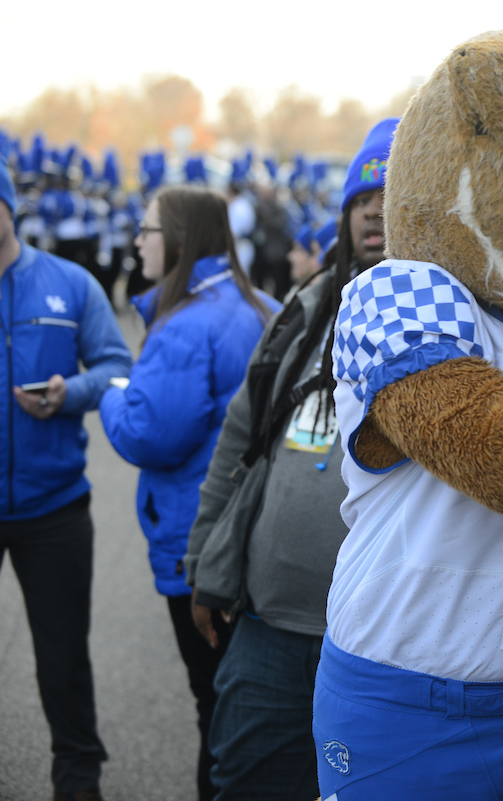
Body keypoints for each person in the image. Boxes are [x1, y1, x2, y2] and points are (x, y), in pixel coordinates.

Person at [184, 119, 394, 801]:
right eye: (362, 199)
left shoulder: (456, 324)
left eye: (393, 196)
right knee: (244, 782)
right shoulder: (303, 311)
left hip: (378, 646)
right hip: (268, 629)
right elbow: (239, 443)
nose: (373, 209)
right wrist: (207, 564)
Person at [99, 186, 279, 801]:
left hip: (195, 540)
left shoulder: (184, 327)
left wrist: (110, 392)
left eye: (146, 231)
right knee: (246, 702)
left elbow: (150, 436)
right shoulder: (261, 304)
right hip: (254, 532)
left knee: (214, 705)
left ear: (176, 240)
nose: (137, 243)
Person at [0, 162, 132, 801]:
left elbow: (115, 365)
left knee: (62, 661)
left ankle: (78, 781)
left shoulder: (70, 283)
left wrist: (69, 391)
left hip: (53, 507)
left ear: (9, 208)